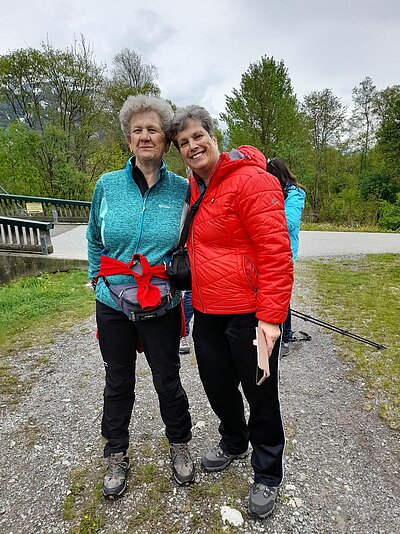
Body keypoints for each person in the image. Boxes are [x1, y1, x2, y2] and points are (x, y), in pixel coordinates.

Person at [171, 105, 293, 519]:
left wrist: (272, 317)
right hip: (206, 312)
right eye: (183, 142)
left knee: (261, 396)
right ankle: (235, 441)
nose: (192, 146)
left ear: (213, 135)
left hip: (249, 314)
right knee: (217, 386)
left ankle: (267, 472)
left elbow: (276, 254)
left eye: (197, 136)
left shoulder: (252, 182)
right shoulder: (193, 186)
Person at [86, 95, 195, 500]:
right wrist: (97, 277)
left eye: (152, 129)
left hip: (162, 302)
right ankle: (116, 452)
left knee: (167, 378)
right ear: (128, 140)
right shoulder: (107, 185)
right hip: (112, 301)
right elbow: (94, 237)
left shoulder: (183, 189)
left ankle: (180, 444)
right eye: (137, 130)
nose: (144, 136)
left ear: (166, 141)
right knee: (118, 380)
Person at [267, 158, 306, 357]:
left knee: (281, 295)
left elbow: (289, 221)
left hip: (285, 251)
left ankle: (286, 336)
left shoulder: (295, 193)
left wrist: (264, 216)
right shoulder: (273, 192)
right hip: (268, 249)